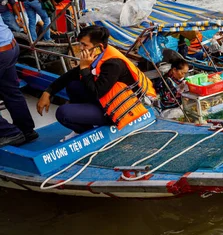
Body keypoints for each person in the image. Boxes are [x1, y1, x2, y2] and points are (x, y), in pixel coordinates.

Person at [36, 26, 156, 137]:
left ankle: (87, 133)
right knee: (73, 85)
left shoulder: (113, 65)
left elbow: (96, 93)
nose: (81, 49)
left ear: (99, 46)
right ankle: (87, 121)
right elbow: (70, 75)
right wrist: (48, 92)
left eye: (84, 45)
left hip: (117, 111)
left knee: (63, 113)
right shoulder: (99, 55)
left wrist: (84, 68)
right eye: (80, 44)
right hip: (105, 98)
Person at [0, 17, 37, 146]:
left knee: (10, 90)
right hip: (9, 46)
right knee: (10, 90)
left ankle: (8, 132)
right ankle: (26, 130)